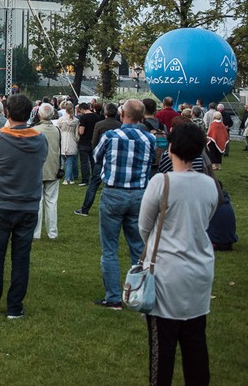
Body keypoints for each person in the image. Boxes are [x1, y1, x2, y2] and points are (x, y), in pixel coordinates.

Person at [139, 121, 218, 385]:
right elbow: (206, 219)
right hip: (199, 270)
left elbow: (144, 227)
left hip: (166, 273)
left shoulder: (161, 183)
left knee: (162, 348)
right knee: (196, 344)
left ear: (171, 147)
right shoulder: (209, 185)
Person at [0, 94, 47, 319]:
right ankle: (14, 306)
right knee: (21, 257)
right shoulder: (39, 139)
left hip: (1, 205)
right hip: (26, 206)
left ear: (7, 113)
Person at [92, 99, 155, 310]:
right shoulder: (149, 138)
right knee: (138, 247)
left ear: (122, 114)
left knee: (109, 248)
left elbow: (96, 156)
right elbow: (152, 162)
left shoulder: (110, 136)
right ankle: (139, 293)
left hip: (114, 193)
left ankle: (113, 297)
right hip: (139, 194)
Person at [75, 102, 122, 217]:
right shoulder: (120, 125)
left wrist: (96, 154)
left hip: (101, 157)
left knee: (94, 184)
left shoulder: (100, 124)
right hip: (115, 158)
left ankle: (85, 208)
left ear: (105, 112)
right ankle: (116, 210)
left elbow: (94, 142)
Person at [32, 103, 61, 240]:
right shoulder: (56, 130)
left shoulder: (34, 130)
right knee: (51, 202)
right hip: (53, 168)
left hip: (38, 169)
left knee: (38, 202)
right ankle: (52, 232)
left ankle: (36, 232)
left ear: (39, 114)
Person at [57, 102, 79, 184]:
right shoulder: (76, 121)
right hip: (72, 140)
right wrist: (77, 141)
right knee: (70, 162)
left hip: (63, 139)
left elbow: (58, 130)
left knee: (64, 161)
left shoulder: (61, 120)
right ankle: (70, 178)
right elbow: (77, 134)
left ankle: (67, 178)